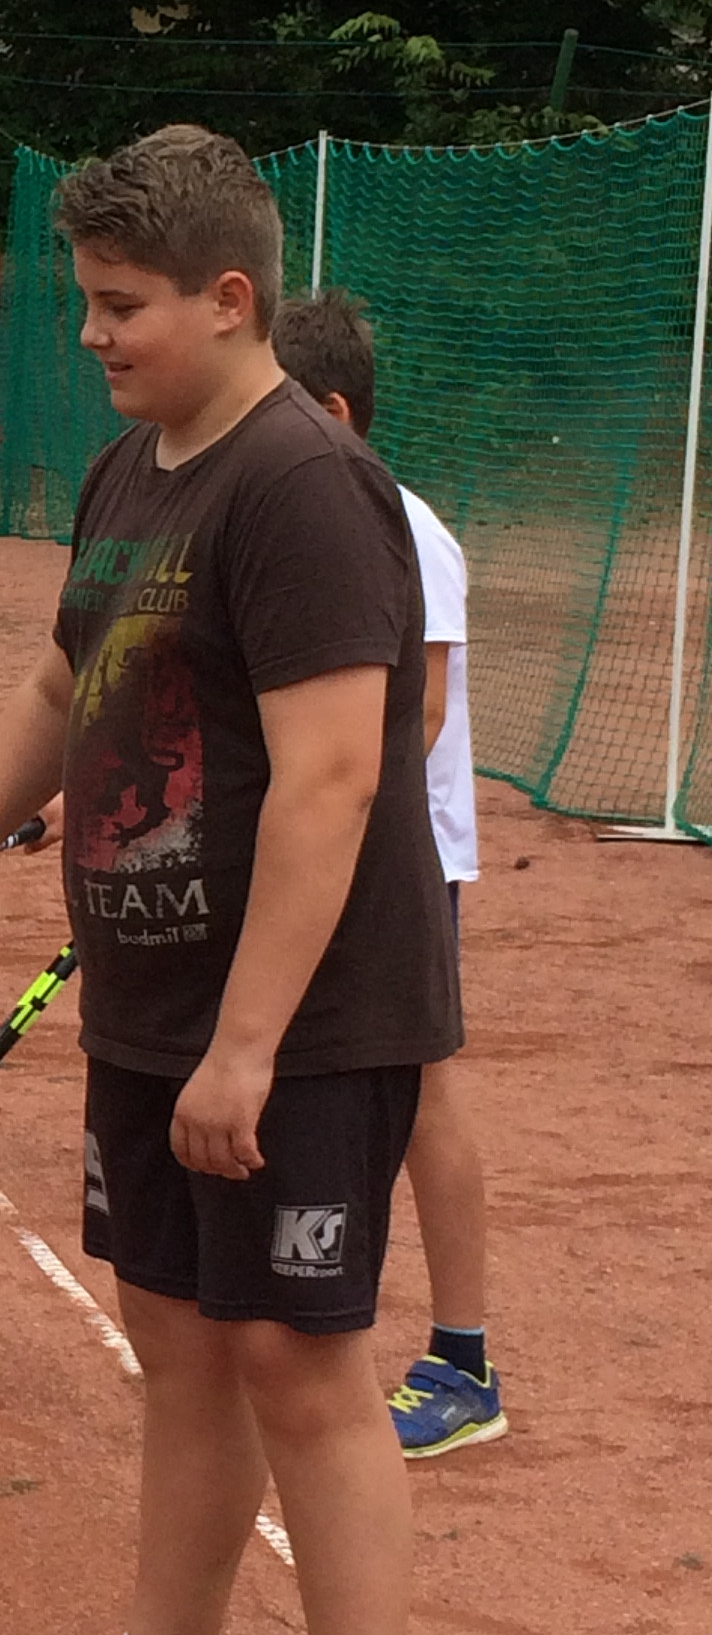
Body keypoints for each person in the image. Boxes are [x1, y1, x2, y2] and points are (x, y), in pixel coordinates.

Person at [0, 126, 459, 1635]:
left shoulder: (303, 490)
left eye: (121, 306)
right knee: (181, 1346)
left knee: (296, 1363)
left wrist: (248, 1043)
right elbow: (64, 681)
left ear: (228, 298)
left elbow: (338, 772)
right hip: (148, 995)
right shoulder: (136, 464)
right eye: (86, 300)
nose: (90, 333)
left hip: (300, 1017)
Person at [273, 288, 501, 1457]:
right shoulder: (298, 517)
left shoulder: (406, 527)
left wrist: (319, 817)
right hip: (337, 844)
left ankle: (463, 1361)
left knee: (418, 1097)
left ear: (330, 411)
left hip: (406, 858)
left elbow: (420, 712)